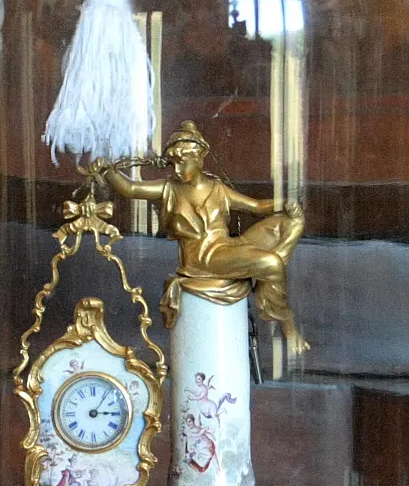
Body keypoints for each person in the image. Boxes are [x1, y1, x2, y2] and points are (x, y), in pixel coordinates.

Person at [90, 122, 308, 355]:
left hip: (228, 247)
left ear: (199, 159)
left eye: (182, 163)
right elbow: (132, 189)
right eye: (173, 164)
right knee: (271, 263)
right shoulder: (170, 189)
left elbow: (255, 206)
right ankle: (287, 325)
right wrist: (108, 171)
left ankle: (266, 281)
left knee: (292, 221)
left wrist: (284, 204)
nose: (176, 170)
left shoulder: (217, 188)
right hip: (203, 259)